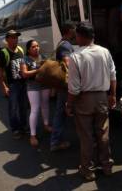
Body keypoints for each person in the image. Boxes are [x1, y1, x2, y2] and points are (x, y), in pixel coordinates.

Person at [66, 22, 117, 181]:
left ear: (80, 36)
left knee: (86, 136)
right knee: (103, 133)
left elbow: (74, 88)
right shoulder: (105, 52)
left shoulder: (76, 56)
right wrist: (112, 95)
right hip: (102, 96)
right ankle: (107, 166)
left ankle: (88, 170)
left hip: (84, 99)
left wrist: (69, 104)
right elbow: (113, 76)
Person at [20, 40, 52, 147]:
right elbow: (24, 74)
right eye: (33, 47)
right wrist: (39, 70)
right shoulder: (25, 59)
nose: (36, 48)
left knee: (45, 105)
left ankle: (46, 125)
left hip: (45, 85)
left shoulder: (43, 57)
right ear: (28, 49)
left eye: (37, 46)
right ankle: (33, 135)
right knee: (35, 109)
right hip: (33, 86)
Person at [0, 30, 27, 139]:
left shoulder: (20, 50)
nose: (15, 39)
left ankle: (23, 127)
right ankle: (15, 129)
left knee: (23, 107)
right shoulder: (4, 53)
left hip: (23, 84)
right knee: (13, 108)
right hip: (12, 85)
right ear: (7, 39)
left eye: (16, 37)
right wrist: (4, 86)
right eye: (13, 37)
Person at [50, 23, 76, 152]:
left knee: (62, 112)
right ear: (69, 31)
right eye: (73, 30)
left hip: (63, 84)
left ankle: (56, 140)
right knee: (62, 112)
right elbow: (68, 63)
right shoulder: (65, 45)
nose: (75, 32)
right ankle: (56, 141)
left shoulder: (62, 43)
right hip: (66, 85)